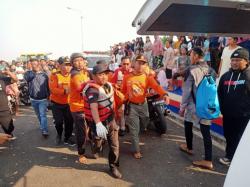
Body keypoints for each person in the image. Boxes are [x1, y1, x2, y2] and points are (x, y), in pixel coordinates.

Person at [122, 55, 169, 159]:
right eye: (138, 62)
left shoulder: (147, 77)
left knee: (146, 121)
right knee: (134, 130)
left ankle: (141, 128)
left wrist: (164, 94)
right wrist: (120, 103)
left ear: (145, 66)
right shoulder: (127, 76)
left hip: (143, 105)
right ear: (134, 63)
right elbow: (123, 91)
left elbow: (156, 86)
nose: (140, 65)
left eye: (143, 63)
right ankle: (136, 150)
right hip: (132, 106)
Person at [82, 65, 122, 179]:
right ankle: (95, 146)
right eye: (100, 74)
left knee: (114, 145)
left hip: (110, 119)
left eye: (105, 74)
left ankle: (113, 166)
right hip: (97, 122)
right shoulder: (92, 90)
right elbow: (93, 107)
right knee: (98, 142)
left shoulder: (108, 85)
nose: (104, 76)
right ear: (93, 76)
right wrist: (98, 124)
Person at [179, 47, 215, 170]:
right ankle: (208, 159)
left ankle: (190, 148)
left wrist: (182, 107)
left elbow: (187, 91)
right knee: (206, 131)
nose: (190, 57)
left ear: (195, 56)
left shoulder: (191, 70)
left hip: (193, 105)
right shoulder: (211, 69)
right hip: (207, 105)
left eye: (191, 55)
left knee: (188, 122)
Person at [218, 48, 250, 166]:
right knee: (229, 136)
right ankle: (230, 156)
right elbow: (220, 93)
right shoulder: (225, 76)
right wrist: (222, 109)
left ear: (246, 61)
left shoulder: (249, 76)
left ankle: (238, 161)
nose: (234, 63)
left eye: (238, 60)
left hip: (244, 116)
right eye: (233, 60)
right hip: (228, 115)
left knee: (241, 139)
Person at [68, 53, 90, 164]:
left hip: (86, 105)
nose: (79, 62)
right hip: (78, 107)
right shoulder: (75, 74)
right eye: (76, 61)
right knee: (81, 131)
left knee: (88, 127)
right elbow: (82, 89)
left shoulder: (84, 72)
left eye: (81, 60)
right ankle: (81, 153)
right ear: (72, 63)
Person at [49, 57, 75, 146]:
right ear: (59, 66)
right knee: (59, 122)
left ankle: (67, 138)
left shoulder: (73, 75)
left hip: (69, 103)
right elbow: (53, 89)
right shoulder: (54, 75)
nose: (68, 67)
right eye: (65, 65)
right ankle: (59, 135)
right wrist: (64, 91)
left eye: (69, 65)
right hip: (57, 104)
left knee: (69, 122)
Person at [24, 58, 50, 137]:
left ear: (38, 64)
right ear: (30, 65)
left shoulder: (44, 74)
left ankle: (44, 130)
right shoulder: (28, 73)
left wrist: (47, 71)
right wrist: (34, 71)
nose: (34, 66)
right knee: (39, 115)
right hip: (33, 99)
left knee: (42, 115)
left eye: (35, 64)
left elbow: (50, 81)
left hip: (43, 99)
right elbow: (28, 78)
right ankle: (43, 125)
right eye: (32, 64)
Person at [111, 56, 132, 136]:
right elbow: (111, 83)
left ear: (130, 64)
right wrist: (116, 85)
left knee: (128, 113)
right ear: (121, 64)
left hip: (131, 97)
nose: (126, 66)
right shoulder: (117, 72)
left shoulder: (132, 72)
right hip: (120, 97)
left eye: (127, 64)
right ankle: (122, 128)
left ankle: (124, 125)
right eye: (124, 64)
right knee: (121, 112)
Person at [0, 69, 17, 138]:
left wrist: (8, 72)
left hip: (3, 108)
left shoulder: (3, 79)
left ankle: (9, 133)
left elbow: (15, 79)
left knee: (9, 128)